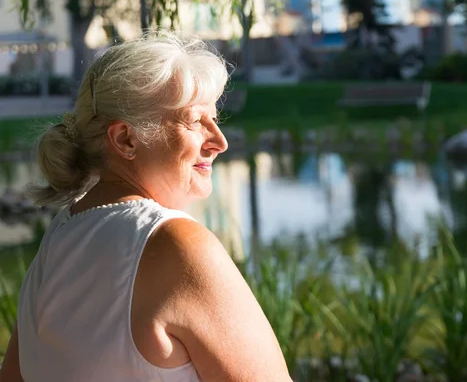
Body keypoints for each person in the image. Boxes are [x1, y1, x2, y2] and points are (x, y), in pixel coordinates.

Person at [0, 32, 292, 382]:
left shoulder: (57, 241)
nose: (219, 141)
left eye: (215, 119)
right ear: (125, 139)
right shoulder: (177, 245)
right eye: (194, 121)